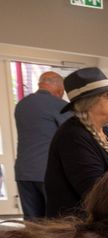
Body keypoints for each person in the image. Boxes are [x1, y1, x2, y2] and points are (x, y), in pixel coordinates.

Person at [44, 67, 108, 218]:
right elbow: (94, 192)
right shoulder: (73, 136)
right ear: (90, 103)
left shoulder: (104, 131)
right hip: (74, 231)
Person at [14, 71, 69, 220]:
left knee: (32, 221)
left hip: (24, 171)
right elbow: (71, 135)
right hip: (49, 171)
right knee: (54, 221)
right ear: (59, 90)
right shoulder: (61, 105)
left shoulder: (22, 104)